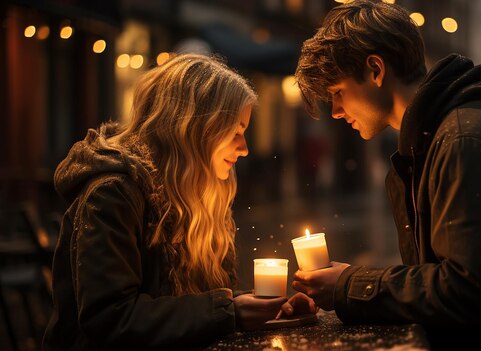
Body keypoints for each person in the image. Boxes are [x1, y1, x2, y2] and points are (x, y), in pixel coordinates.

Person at [291, 1, 481, 350]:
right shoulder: (440, 138)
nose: (338, 112)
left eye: (338, 94)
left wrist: (350, 286)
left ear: (375, 70)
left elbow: (473, 292)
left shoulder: (467, 139)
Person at [43, 54, 314, 350]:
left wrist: (266, 307)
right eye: (235, 131)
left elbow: (195, 307)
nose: (245, 148)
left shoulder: (199, 193)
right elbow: (110, 320)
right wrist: (229, 310)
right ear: (195, 129)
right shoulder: (113, 194)